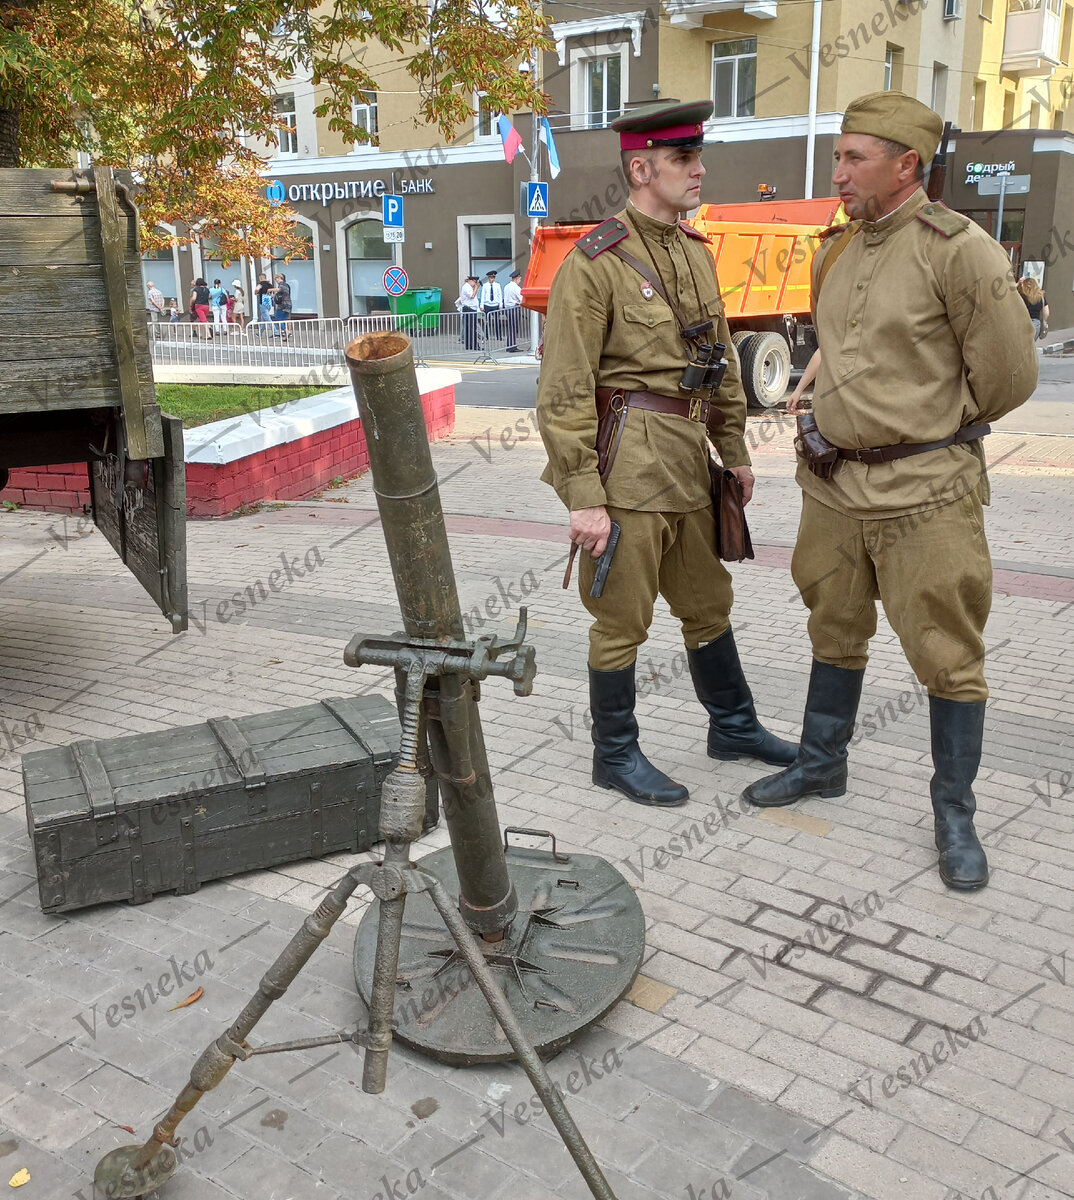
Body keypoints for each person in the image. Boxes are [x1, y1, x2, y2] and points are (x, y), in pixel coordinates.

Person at [741, 91, 1038, 891]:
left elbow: (1011, 376)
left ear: (908, 165)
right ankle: (820, 763)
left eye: (854, 158)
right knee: (832, 626)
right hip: (832, 487)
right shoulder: (836, 247)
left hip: (926, 495)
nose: (837, 172)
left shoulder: (960, 249)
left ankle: (954, 811)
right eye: (838, 156)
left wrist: (926, 426)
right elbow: (834, 352)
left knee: (947, 652)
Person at [535, 99, 796, 809]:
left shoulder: (693, 252)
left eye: (697, 157)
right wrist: (583, 495)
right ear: (641, 166)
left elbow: (718, 366)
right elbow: (561, 391)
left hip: (686, 462)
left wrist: (735, 450)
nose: (699, 170)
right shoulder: (595, 262)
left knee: (709, 602)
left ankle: (733, 729)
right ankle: (613, 755)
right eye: (684, 159)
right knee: (622, 617)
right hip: (626, 470)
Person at [456, 275, 480, 350]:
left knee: (471, 328)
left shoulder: (469, 287)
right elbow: (472, 296)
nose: (475, 284)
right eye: (474, 282)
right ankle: (473, 345)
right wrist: (476, 287)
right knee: (471, 328)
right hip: (469, 309)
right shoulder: (466, 287)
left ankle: (471, 345)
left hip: (472, 308)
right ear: (471, 281)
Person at [480, 270, 503, 342]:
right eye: (490, 278)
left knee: (497, 321)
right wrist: (482, 305)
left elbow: (500, 295)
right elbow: (482, 295)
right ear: (488, 278)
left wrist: (500, 305)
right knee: (487, 321)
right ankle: (486, 336)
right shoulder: (485, 285)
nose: (492, 279)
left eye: (493, 278)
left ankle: (499, 336)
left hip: (495, 305)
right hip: (487, 305)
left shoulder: (497, 285)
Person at [503, 269, 524, 352]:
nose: (520, 281)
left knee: (510, 328)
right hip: (514, 309)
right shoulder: (516, 288)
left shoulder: (506, 286)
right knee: (514, 328)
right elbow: (521, 298)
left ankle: (509, 345)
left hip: (508, 309)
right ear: (517, 278)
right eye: (519, 279)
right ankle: (512, 346)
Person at [271, 273, 292, 339]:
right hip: (288, 304)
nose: (276, 280)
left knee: (278, 319)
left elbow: (280, 289)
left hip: (283, 305)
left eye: (276, 278)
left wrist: (270, 290)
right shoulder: (287, 285)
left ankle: (286, 331)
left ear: (280, 278)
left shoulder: (282, 284)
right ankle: (286, 336)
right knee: (284, 319)